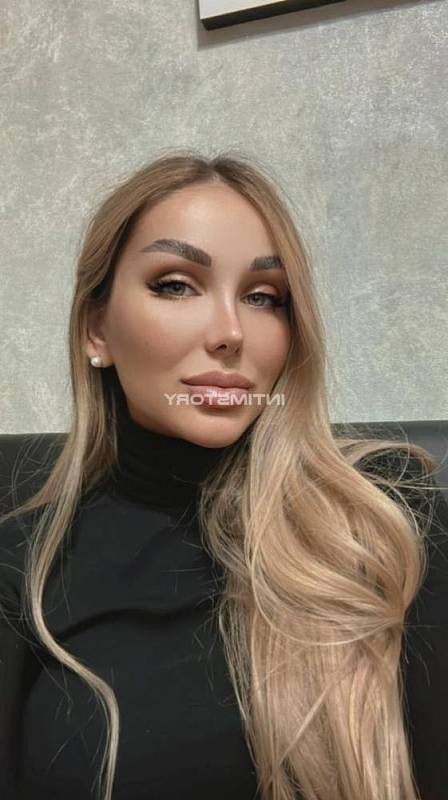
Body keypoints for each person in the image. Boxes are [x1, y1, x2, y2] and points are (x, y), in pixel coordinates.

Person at [0, 150, 447, 800]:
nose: (231, 332)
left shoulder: (384, 517)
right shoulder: (26, 561)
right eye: (175, 284)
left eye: (264, 297)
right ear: (97, 328)